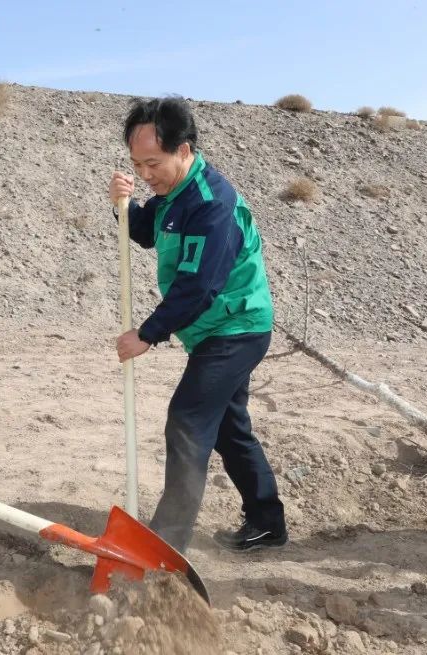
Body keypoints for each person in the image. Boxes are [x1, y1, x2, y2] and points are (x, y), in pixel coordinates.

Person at [108, 96, 287, 554]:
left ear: (183, 150)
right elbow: (147, 232)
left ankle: (165, 545)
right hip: (213, 328)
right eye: (137, 164)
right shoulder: (174, 193)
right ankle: (267, 522)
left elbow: (199, 286)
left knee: (187, 420)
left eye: (153, 162)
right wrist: (123, 205)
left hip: (236, 327)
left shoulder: (212, 204)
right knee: (229, 427)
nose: (146, 174)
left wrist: (146, 334)